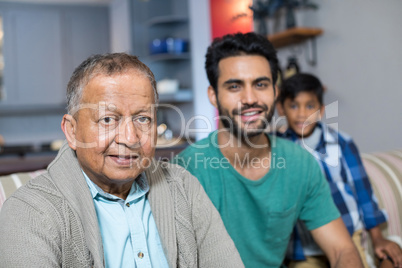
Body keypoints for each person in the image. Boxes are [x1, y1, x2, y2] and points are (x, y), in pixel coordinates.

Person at [0, 53, 244, 267]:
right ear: (72, 132)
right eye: (107, 119)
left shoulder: (184, 187)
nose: (130, 138)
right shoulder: (29, 212)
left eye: (143, 119)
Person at [174, 32, 363, 268]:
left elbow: (342, 249)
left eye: (260, 84)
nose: (250, 98)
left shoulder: (299, 163)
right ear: (214, 95)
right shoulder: (186, 171)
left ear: (275, 91)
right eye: (234, 86)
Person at [276, 73, 402, 267]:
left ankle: (379, 259)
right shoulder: (277, 149)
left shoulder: (341, 142)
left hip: (347, 235)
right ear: (281, 108)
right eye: (293, 105)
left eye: (309, 106)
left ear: (321, 110)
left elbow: (363, 192)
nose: (302, 113)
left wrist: (377, 238)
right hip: (305, 248)